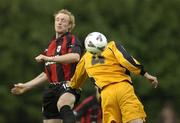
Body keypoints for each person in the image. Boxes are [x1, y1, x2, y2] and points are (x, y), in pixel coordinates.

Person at [11, 9, 83, 123]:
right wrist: (26, 86)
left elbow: (75, 57)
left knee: (63, 104)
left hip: (69, 84)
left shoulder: (71, 39)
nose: (59, 22)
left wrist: (49, 58)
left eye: (63, 20)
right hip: (52, 88)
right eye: (57, 20)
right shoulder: (50, 45)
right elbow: (46, 73)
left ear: (69, 25)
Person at [69, 32, 159, 123]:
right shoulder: (111, 46)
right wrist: (145, 74)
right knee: (135, 119)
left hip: (106, 94)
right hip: (123, 88)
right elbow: (127, 60)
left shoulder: (85, 58)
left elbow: (76, 80)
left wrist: (70, 86)